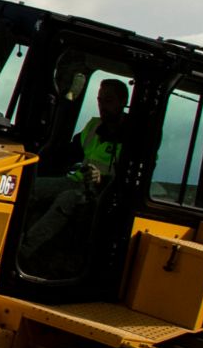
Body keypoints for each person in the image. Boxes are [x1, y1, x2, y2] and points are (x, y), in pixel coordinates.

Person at [22, 77, 131, 259]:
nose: (102, 106)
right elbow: (70, 152)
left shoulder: (135, 139)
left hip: (103, 195)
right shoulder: (94, 126)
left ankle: (24, 251)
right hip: (75, 181)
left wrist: (101, 179)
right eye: (100, 100)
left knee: (68, 198)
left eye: (109, 101)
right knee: (28, 187)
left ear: (123, 102)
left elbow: (130, 180)